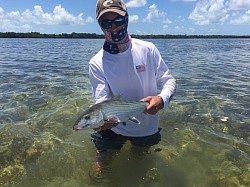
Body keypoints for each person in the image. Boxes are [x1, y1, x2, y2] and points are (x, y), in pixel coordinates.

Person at [88, 0, 176, 181]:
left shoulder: (148, 49)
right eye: (106, 23)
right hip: (114, 129)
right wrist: (102, 122)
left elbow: (169, 81)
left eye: (118, 21)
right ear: (100, 26)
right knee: (100, 170)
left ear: (126, 19)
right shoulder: (96, 62)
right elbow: (101, 102)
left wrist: (162, 99)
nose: (113, 28)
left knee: (138, 164)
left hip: (146, 128)